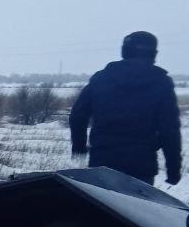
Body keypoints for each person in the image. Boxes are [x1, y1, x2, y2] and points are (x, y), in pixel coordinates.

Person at [69, 31, 181, 186]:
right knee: (133, 209)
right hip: (141, 164)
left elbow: (78, 116)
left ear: (124, 51)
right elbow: (170, 130)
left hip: (102, 160)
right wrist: (173, 169)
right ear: (153, 54)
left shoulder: (101, 78)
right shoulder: (162, 83)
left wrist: (79, 146)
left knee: (100, 207)